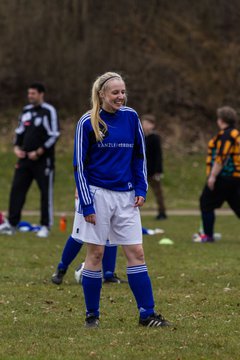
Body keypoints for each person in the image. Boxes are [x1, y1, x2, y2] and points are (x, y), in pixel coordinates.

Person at [72, 71, 171, 328]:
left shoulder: (131, 117)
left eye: (123, 91)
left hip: (126, 196)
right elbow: (79, 166)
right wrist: (87, 203)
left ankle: (147, 314)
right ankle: (92, 315)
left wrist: (141, 188)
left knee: (137, 251)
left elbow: (140, 155)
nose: (120, 97)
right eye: (115, 92)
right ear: (102, 94)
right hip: (97, 194)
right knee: (95, 254)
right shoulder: (87, 122)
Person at [0, 83, 60, 238]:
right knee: (17, 190)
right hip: (25, 159)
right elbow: (19, 131)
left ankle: (45, 226)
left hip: (43, 160)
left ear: (41, 94)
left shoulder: (49, 111)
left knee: (45, 193)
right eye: (29, 93)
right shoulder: (26, 111)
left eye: (33, 93)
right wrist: (16, 148)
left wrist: (39, 151)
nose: (30, 96)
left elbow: (54, 134)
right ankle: (12, 224)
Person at [193, 106, 240, 243]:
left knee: (206, 202)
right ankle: (207, 234)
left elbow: (221, 157)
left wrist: (212, 176)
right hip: (235, 177)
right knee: (237, 205)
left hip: (225, 176)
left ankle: (208, 235)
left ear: (222, 120)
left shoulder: (227, 135)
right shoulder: (235, 133)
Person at [141, 114, 167, 220]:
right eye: (143, 123)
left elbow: (158, 155)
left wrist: (158, 171)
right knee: (139, 192)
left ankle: (162, 212)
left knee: (158, 192)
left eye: (147, 123)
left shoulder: (155, 138)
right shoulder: (141, 137)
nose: (144, 125)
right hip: (142, 171)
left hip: (153, 171)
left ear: (152, 125)